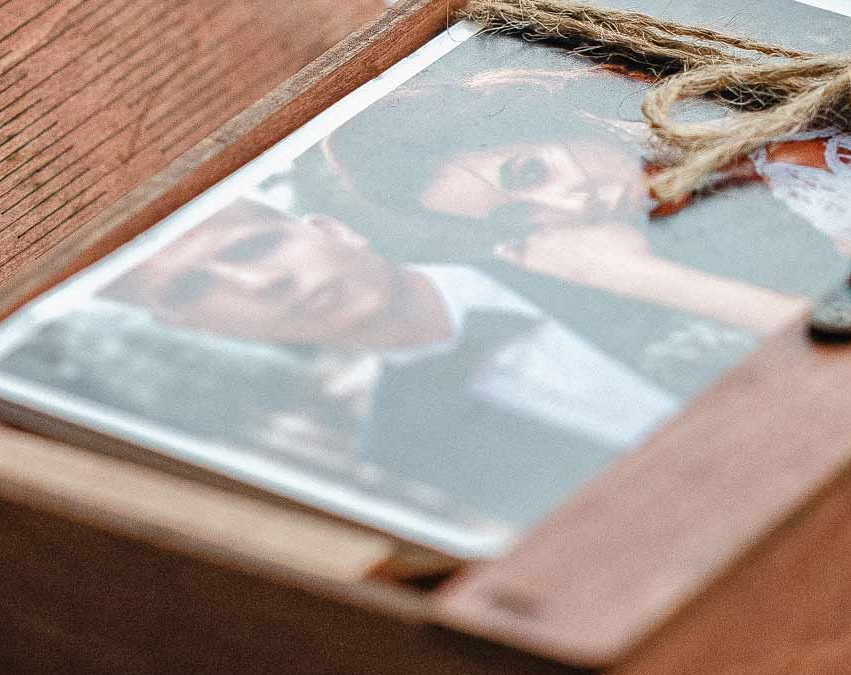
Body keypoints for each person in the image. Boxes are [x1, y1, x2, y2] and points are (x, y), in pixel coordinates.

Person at [99, 197, 681, 530]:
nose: (262, 284)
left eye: (253, 247)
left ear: (331, 230)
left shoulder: (572, 255)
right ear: (200, 328)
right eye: (193, 290)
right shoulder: (399, 442)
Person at [299, 62, 851, 336]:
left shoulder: (743, 121)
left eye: (529, 171)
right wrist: (635, 275)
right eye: (519, 215)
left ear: (541, 119)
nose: (566, 209)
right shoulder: (688, 220)